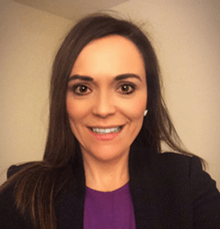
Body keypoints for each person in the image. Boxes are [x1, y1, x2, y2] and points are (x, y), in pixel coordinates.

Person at [0, 13, 220, 229]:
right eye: (82, 88)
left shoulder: (187, 181)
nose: (103, 110)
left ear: (148, 100)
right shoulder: (21, 193)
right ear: (63, 101)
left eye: (125, 88)